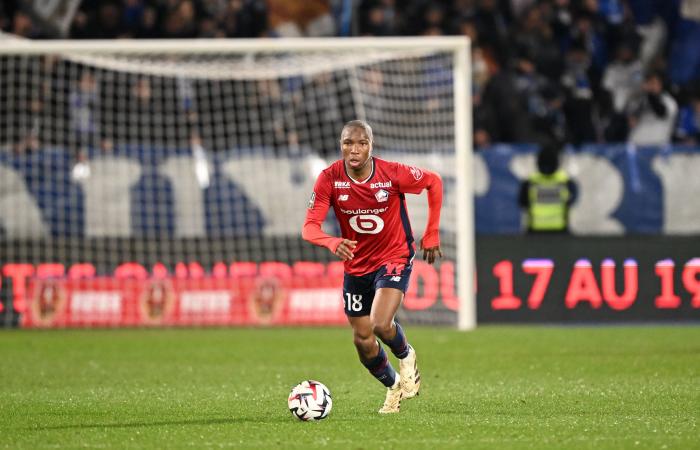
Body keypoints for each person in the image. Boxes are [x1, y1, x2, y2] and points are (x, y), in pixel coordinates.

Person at [302, 120, 443, 414]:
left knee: (380, 323)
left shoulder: (391, 173)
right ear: (340, 145)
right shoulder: (329, 178)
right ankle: (393, 388)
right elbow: (309, 228)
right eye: (348, 143)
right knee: (363, 339)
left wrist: (431, 233)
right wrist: (330, 242)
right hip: (357, 266)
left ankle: (406, 355)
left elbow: (434, 182)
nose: (354, 150)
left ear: (371, 145)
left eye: (361, 143)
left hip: (394, 255)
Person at [518, 145, 577, 233]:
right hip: (560, 230)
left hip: (535, 231)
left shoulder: (530, 182)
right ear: (557, 162)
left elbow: (522, 203)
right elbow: (572, 200)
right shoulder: (566, 181)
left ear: (538, 162)